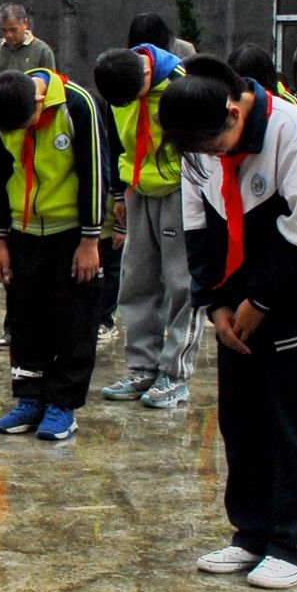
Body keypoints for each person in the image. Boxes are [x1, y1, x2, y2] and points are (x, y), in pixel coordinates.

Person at [159, 56, 297, 591]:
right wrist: (216, 305)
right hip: (236, 311)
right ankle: (251, 531)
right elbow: (198, 228)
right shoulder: (200, 150)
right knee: (241, 423)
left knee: (292, 425)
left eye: (214, 144)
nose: (210, 157)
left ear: (234, 112)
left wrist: (258, 303)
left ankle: (294, 544)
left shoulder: (293, 135)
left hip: (296, 304)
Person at [0, 65, 109, 446]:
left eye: (29, 122)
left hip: (70, 233)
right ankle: (29, 397)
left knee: (73, 318)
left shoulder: (77, 105)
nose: (24, 131)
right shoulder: (2, 112)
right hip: (21, 233)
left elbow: (93, 173)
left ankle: (63, 404)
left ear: (38, 100)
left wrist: (90, 241)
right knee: (24, 318)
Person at [92, 43, 198, 409]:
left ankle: (176, 372)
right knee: (136, 278)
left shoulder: (182, 87)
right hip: (138, 189)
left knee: (181, 281)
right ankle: (142, 365)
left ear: (147, 75)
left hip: (179, 191)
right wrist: (120, 193)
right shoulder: (119, 88)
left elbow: (199, 150)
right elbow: (117, 145)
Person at [0, 4, 57, 78]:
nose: (8, 35)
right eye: (4, 30)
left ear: (25, 23)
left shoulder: (43, 51)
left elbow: (50, 84)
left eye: (13, 30)